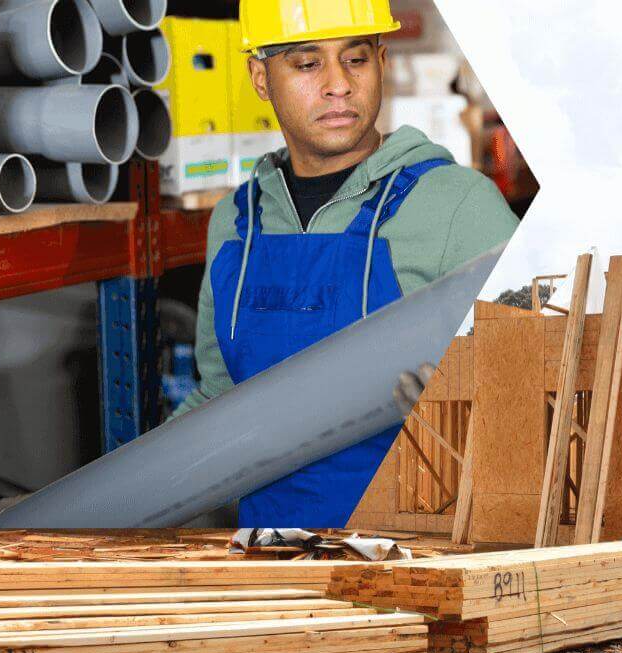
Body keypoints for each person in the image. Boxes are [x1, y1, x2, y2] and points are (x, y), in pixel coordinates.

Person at [173, 0, 519, 527]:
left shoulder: (459, 207)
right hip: (270, 567)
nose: (339, 84)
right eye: (307, 64)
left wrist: (460, 408)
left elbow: (543, 390)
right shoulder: (235, 224)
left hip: (417, 563)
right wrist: (97, 507)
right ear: (261, 77)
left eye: (356, 60)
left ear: (381, 61)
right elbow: (219, 395)